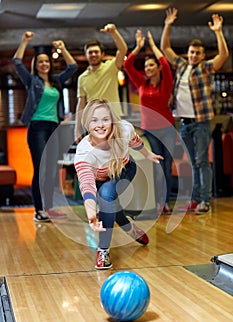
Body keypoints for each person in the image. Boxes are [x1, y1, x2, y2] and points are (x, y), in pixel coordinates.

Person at [74, 99, 163, 269]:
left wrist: (148, 154)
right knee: (110, 203)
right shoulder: (84, 152)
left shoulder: (123, 129)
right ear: (86, 123)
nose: (100, 125)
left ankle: (103, 250)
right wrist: (92, 213)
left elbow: (135, 142)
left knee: (107, 196)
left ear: (112, 120)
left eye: (105, 119)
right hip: (99, 180)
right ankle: (132, 229)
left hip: (125, 170)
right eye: (94, 120)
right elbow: (87, 186)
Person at [160, 8, 229, 214]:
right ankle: (194, 198)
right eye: (191, 52)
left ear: (202, 55)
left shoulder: (206, 68)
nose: (194, 55)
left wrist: (218, 32)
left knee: (201, 161)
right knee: (191, 163)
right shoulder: (181, 65)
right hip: (184, 123)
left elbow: (223, 54)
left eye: (197, 53)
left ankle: (204, 200)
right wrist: (167, 25)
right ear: (187, 54)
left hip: (200, 122)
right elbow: (165, 48)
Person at [13, 32, 78, 222]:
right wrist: (25, 41)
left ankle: (49, 208)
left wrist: (63, 49)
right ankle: (39, 210)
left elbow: (73, 67)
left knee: (51, 171)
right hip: (37, 128)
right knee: (40, 169)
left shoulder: (57, 81)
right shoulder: (32, 81)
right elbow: (17, 62)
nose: (44, 64)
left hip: (53, 129)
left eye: (46, 61)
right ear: (36, 65)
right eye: (40, 62)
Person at [124, 30, 176, 215]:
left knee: (167, 166)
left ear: (158, 68)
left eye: (151, 65)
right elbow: (127, 64)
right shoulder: (141, 83)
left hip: (168, 129)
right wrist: (138, 47)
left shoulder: (166, 83)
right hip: (151, 131)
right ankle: (157, 202)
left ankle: (165, 202)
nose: (148, 68)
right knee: (157, 167)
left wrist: (153, 46)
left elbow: (166, 64)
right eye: (146, 66)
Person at [74, 23, 127, 142]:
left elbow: (123, 49)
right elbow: (81, 104)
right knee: (97, 156)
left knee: (117, 156)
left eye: (96, 52)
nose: (93, 55)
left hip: (114, 119)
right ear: (86, 55)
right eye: (90, 52)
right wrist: (77, 129)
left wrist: (114, 32)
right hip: (93, 122)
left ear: (102, 54)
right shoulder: (82, 77)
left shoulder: (112, 67)